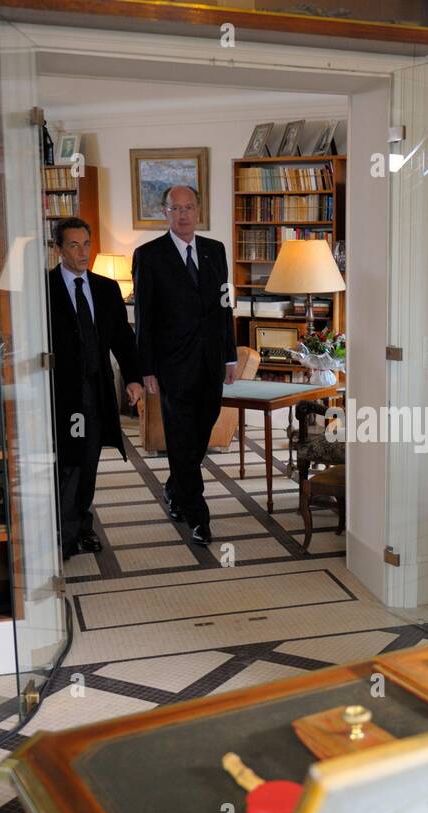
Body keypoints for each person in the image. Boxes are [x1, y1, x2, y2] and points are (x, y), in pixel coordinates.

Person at [132, 185, 238, 546]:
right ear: (165, 213)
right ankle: (198, 515)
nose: (182, 214)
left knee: (200, 433)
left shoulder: (215, 251)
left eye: (188, 207)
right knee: (180, 439)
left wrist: (229, 355)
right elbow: (144, 316)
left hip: (211, 364)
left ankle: (175, 488)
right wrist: (145, 368)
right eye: (175, 208)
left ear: (198, 210)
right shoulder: (149, 255)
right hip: (172, 366)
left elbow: (225, 307)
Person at [48, 217, 144, 561]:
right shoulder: (44, 289)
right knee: (69, 462)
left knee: (87, 461)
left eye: (86, 244)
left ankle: (80, 524)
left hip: (97, 389)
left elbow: (122, 338)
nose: (82, 251)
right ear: (58, 249)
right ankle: (66, 535)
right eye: (73, 245)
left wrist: (133, 378)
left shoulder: (105, 289)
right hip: (60, 394)